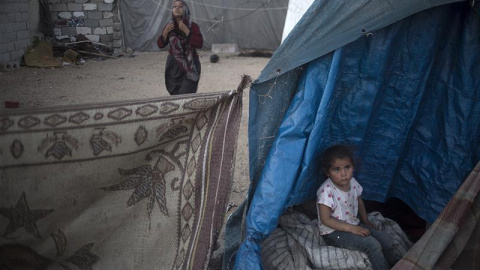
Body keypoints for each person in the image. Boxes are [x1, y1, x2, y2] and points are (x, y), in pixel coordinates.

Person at [317, 144, 402, 270]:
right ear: (327, 172)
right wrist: (352, 229)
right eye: (336, 169)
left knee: (386, 241)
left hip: (352, 223)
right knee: (372, 245)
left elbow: (358, 200)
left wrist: (366, 221)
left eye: (347, 167)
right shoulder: (326, 191)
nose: (344, 174)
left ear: (353, 166)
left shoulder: (352, 182)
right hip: (333, 233)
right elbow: (326, 220)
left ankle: (399, 265)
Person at [157, 0, 203, 95]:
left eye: (180, 6)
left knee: (185, 94)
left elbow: (199, 43)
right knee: (174, 94)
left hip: (190, 65)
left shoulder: (192, 26)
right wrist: (164, 33)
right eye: (174, 6)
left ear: (185, 9)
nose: (177, 8)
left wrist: (187, 31)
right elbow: (160, 44)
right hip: (173, 65)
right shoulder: (169, 26)